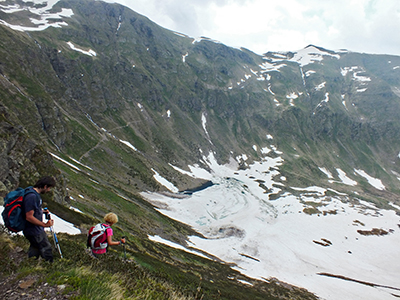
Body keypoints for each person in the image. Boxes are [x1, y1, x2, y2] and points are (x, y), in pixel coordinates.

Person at [23, 176, 56, 262]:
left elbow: (31, 209)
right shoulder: (32, 196)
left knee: (35, 248)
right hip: (34, 230)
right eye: (49, 188)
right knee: (46, 248)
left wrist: (41, 211)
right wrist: (45, 225)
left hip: (32, 229)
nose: (48, 190)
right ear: (45, 186)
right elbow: (29, 217)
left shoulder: (32, 193)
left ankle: (30, 264)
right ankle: (50, 269)